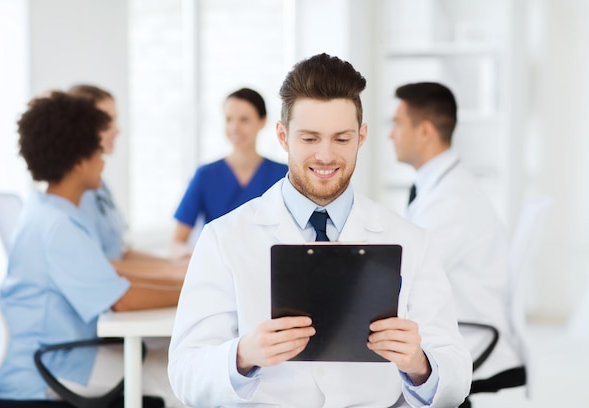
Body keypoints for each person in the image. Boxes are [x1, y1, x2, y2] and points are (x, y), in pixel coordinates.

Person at [168, 53, 471, 407]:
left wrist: (420, 365)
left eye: (341, 139)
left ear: (362, 136)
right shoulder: (225, 238)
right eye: (310, 139)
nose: (326, 156)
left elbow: (456, 374)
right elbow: (185, 373)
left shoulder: (411, 241)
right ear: (283, 136)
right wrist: (243, 355)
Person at [0, 91, 183, 406]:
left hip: (55, 354)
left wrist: (182, 281)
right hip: (49, 368)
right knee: (179, 377)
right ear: (80, 162)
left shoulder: (48, 210)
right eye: (99, 153)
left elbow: (114, 279)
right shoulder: (59, 226)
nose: (103, 162)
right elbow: (122, 299)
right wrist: (192, 288)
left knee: (170, 357)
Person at [388, 82, 524, 398]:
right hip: (456, 324)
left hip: (469, 335)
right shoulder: (441, 187)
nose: (390, 134)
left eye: (397, 123)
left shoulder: (452, 201)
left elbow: (406, 281)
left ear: (424, 131)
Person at [69, 84, 188, 280]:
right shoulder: (77, 192)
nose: (117, 129)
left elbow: (120, 252)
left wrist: (174, 264)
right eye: (107, 121)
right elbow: (97, 265)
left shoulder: (98, 184)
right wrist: (172, 273)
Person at [172, 87, 288, 244]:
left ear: (263, 121)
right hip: (216, 265)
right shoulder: (205, 175)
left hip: (267, 265)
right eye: (229, 119)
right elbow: (176, 241)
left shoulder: (284, 175)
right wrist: (188, 258)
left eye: (244, 120)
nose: (235, 128)